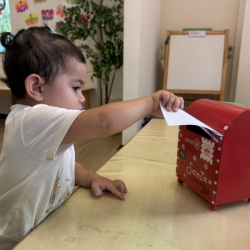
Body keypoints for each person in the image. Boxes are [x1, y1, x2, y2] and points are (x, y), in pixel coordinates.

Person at [0, 25, 184, 249]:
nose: (82, 99)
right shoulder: (30, 121)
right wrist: (151, 103)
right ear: (36, 87)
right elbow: (103, 122)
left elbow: (64, 165)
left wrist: (91, 177)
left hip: (50, 230)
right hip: (18, 242)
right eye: (76, 88)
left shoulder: (47, 132)